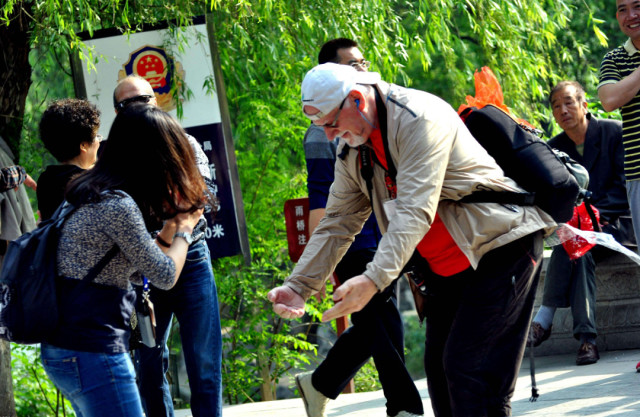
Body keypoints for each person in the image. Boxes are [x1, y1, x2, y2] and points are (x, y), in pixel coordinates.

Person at [268, 63, 557, 416]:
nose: (329, 136)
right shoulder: (353, 149)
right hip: (446, 271)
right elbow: (337, 222)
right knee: (441, 380)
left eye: (331, 123)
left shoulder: (419, 117)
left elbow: (414, 210)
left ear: (357, 99)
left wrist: (372, 280)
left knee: (470, 374)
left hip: (500, 249)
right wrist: (299, 285)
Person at [40, 103, 209, 417]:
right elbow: (164, 276)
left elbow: (134, 268)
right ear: (151, 156)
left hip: (65, 347)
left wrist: (169, 228)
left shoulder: (90, 190)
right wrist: (185, 228)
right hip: (93, 348)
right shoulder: (116, 205)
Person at [296, 38, 423, 417]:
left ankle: (320, 383)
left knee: (374, 325)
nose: (363, 70)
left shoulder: (381, 117)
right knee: (383, 323)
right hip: (352, 244)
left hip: (386, 238)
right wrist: (320, 268)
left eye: (363, 62)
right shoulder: (322, 132)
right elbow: (321, 202)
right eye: (353, 65)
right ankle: (404, 407)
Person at [113, 75, 222, 417]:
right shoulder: (113, 156)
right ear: (117, 112)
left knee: (204, 362)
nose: (137, 108)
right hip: (141, 267)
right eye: (127, 104)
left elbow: (202, 198)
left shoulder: (183, 142)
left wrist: (175, 222)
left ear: (156, 101)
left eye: (143, 100)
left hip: (191, 256)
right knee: (148, 363)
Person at [528, 81, 629, 366]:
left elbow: (625, 186)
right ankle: (587, 340)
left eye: (569, 102)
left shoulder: (614, 132)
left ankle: (544, 319)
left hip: (616, 225)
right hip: (578, 233)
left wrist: (594, 215)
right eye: (556, 106)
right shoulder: (552, 149)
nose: (563, 110)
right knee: (578, 248)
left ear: (584, 105)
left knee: (577, 241)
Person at [598, 0, 640, 248]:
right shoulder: (614, 59)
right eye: (623, 9)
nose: (631, 15)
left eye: (637, 6)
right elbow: (609, 100)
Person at [37, 98, 102, 221]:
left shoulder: (45, 180)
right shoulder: (91, 184)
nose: (98, 141)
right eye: (96, 136)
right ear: (83, 145)